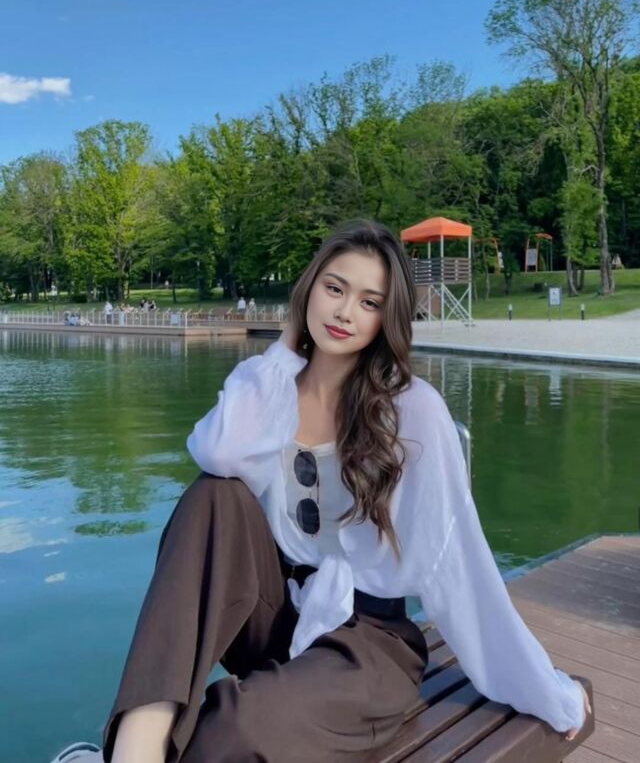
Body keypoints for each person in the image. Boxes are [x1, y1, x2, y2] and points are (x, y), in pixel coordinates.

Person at [56, 219, 589, 763]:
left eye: (369, 302)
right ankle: (136, 746)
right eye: (335, 288)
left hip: (369, 644)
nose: (345, 312)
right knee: (213, 496)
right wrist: (284, 352)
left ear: (386, 317)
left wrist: (547, 693)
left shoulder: (412, 411)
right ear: (309, 287)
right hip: (279, 618)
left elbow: (458, 566)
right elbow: (218, 454)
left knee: (234, 732)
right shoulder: (267, 383)